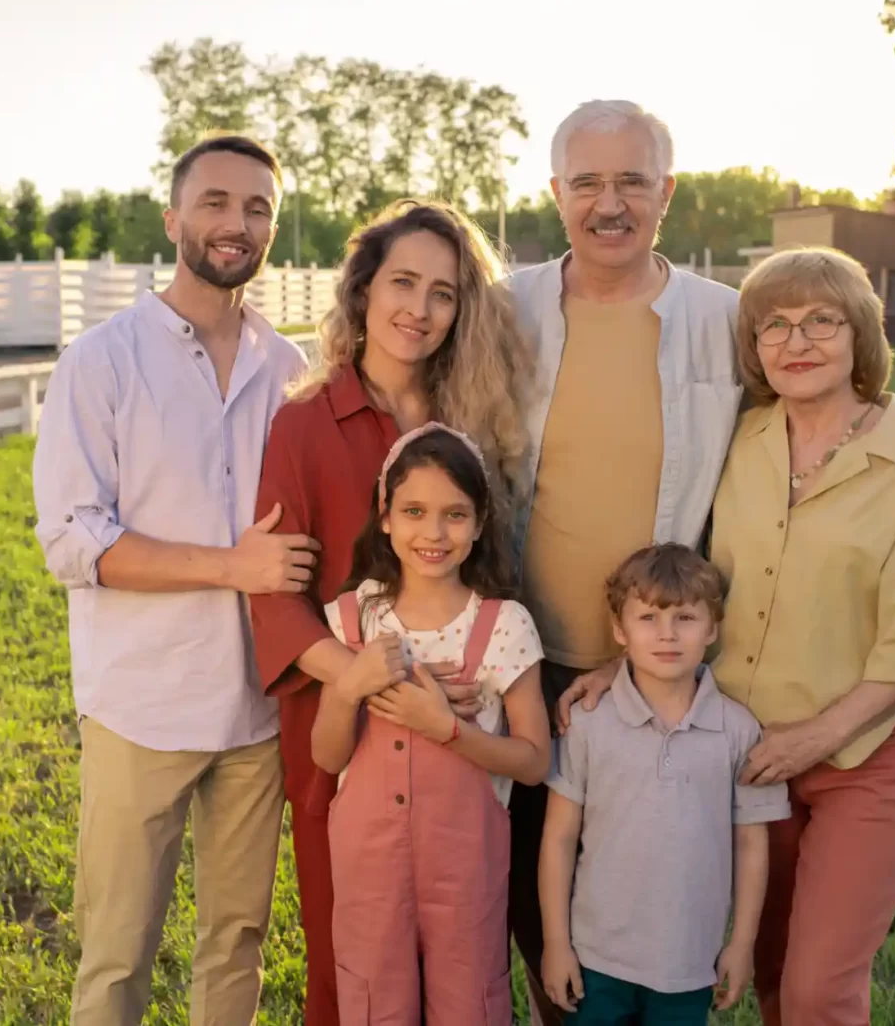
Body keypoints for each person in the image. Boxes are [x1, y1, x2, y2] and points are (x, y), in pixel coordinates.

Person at [32, 135, 316, 1026]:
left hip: (257, 711)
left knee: (236, 944)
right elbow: (75, 540)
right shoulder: (103, 359)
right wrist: (233, 566)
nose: (238, 224)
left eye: (259, 208)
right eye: (218, 203)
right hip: (140, 707)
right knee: (117, 954)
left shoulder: (289, 369)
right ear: (174, 219)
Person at [250, 200, 532, 1026]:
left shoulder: (474, 416)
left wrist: (462, 689)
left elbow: (495, 569)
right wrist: (371, 680)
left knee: (462, 962)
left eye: (443, 292)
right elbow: (275, 596)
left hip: (462, 748)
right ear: (364, 289)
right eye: (403, 282)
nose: (420, 307)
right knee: (354, 970)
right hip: (344, 733)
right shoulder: (307, 422)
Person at [709, 247, 895, 1024]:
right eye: (775, 324)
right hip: (748, 757)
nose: (796, 341)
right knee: (771, 974)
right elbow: (685, 581)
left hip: (865, 755)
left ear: (860, 333)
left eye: (821, 321)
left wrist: (813, 738)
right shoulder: (737, 441)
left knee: (818, 990)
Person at [504, 100, 744, 1026]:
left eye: (632, 181)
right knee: (534, 894)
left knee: (640, 898)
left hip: (655, 665)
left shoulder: (721, 319)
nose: (611, 204)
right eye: (589, 183)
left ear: (667, 193)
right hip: (521, 663)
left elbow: (817, 388)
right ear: (555, 192)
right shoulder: (507, 306)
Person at [314, 424, 551, 1025]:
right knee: (375, 1000)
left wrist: (447, 728)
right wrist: (351, 685)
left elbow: (534, 761)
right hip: (370, 868)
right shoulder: (353, 617)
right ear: (385, 516)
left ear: (478, 524)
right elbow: (326, 757)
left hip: (465, 870)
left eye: (455, 514)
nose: (434, 533)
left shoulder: (503, 625)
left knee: (467, 999)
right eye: (414, 511)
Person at [539, 544, 790, 1026]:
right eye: (649, 618)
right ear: (619, 629)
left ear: (713, 627)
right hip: (596, 958)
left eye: (686, 617)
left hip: (688, 963)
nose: (667, 634)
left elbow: (752, 845)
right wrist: (556, 943)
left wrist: (741, 946)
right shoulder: (590, 723)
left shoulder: (738, 730)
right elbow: (559, 838)